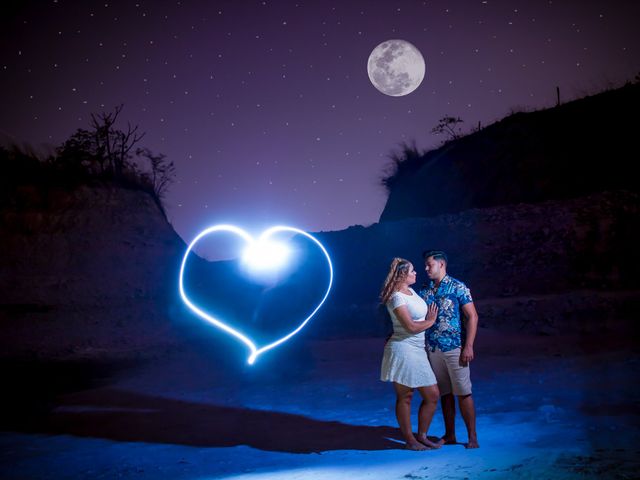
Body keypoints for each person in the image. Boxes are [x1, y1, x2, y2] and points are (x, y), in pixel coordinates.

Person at [380, 257, 443, 450]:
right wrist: (431, 321)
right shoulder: (397, 297)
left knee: (432, 395)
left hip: (417, 349)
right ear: (402, 275)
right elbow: (410, 326)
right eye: (412, 271)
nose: (416, 273)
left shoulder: (411, 292)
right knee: (405, 396)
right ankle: (410, 440)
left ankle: (421, 436)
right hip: (403, 348)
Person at [420, 250, 479, 449]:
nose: (426, 268)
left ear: (441, 264)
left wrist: (468, 345)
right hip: (433, 349)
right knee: (445, 394)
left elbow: (472, 316)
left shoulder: (457, 287)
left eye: (430, 265)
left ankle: (472, 437)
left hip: (454, 347)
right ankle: (450, 434)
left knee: (463, 392)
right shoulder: (425, 290)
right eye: (426, 265)